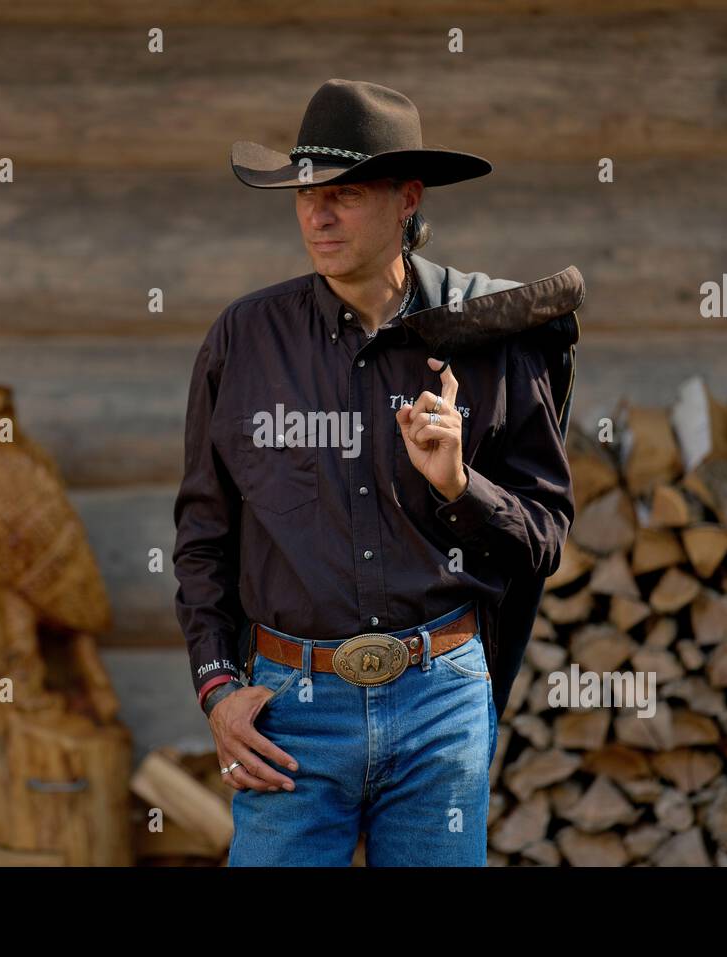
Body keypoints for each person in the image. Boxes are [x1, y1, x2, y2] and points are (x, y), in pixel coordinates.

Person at [172, 78, 577, 865]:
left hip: (440, 699)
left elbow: (545, 539)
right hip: (288, 708)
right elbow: (202, 538)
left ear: (407, 199)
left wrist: (463, 486)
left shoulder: (492, 339)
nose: (316, 216)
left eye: (345, 194)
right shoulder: (243, 341)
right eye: (304, 193)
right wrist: (218, 690)